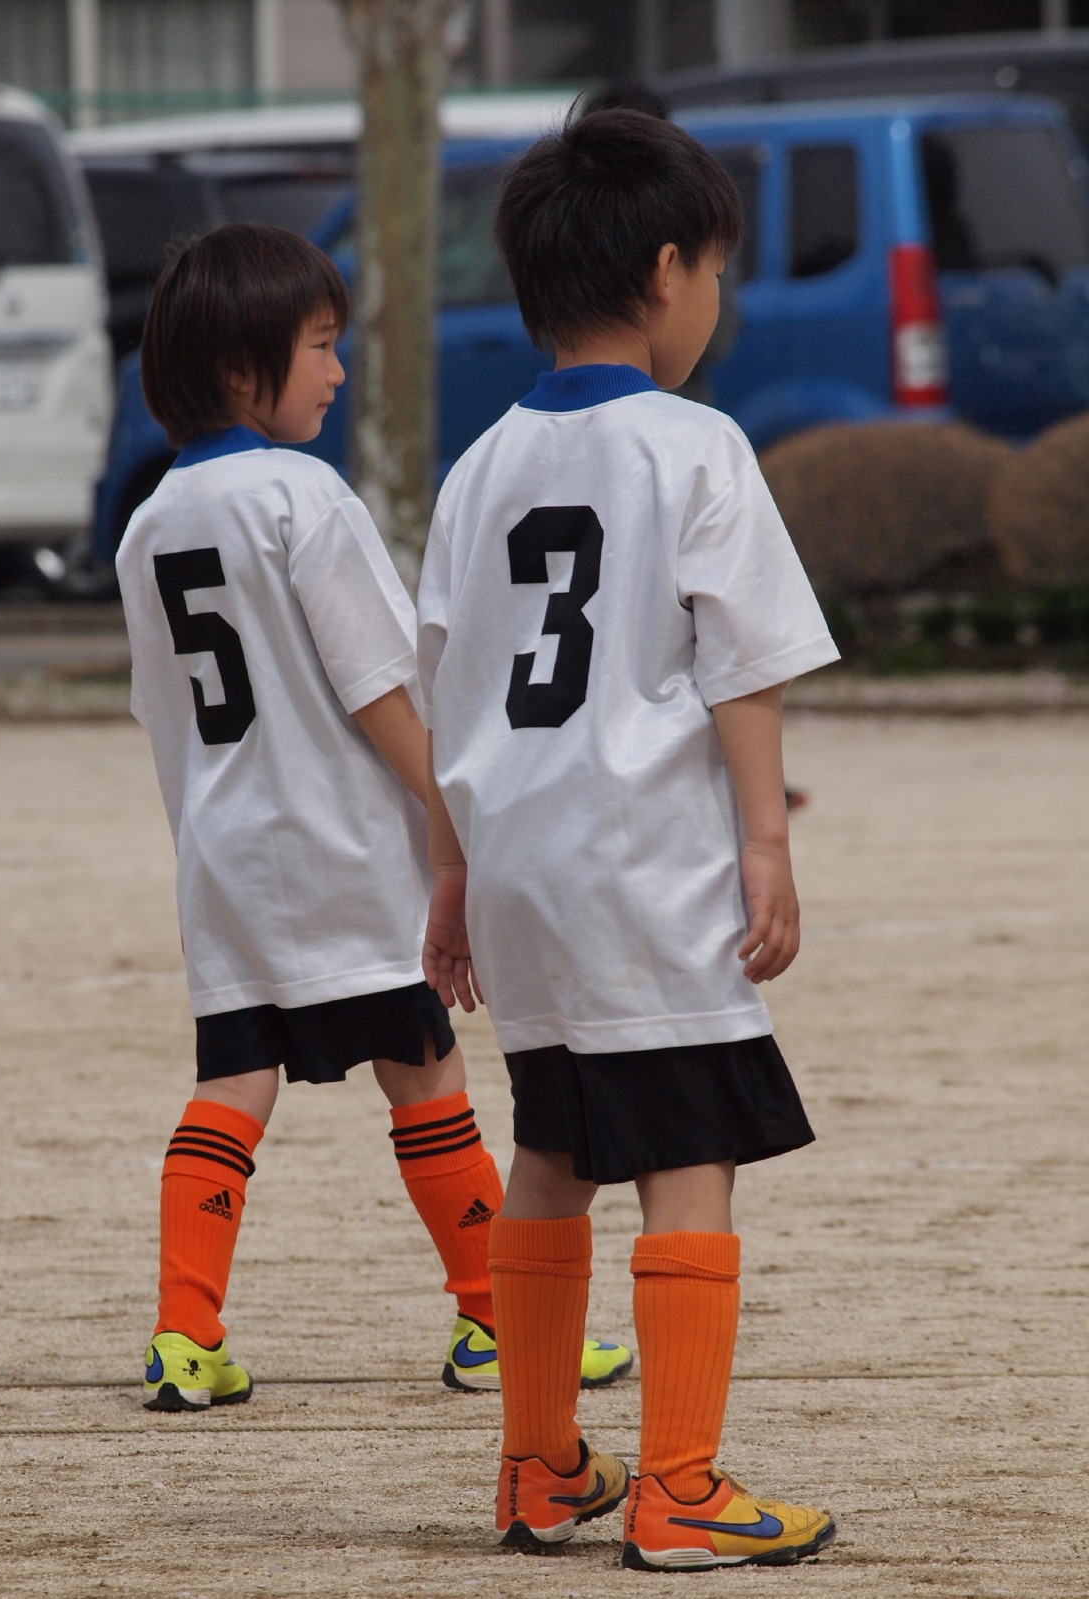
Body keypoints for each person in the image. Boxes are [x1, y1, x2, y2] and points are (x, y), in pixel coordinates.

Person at [417, 110, 839, 1570]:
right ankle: (681, 1487)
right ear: (666, 271)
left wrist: (452, 875)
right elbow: (744, 667)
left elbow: (447, 694)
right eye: (714, 269)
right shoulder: (696, 445)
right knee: (688, 1149)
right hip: (645, 865)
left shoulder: (477, 470)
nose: (713, 296)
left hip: (520, 866)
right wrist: (766, 844)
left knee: (553, 1144)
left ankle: (537, 1465)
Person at [115, 223, 631, 1412]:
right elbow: (380, 688)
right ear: (241, 368)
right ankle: (494, 1319)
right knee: (426, 1070)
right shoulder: (302, 494)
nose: (339, 372)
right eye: (319, 347)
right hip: (342, 848)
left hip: (227, 856)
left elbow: (163, 717)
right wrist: (459, 817)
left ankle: (184, 1335)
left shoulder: (150, 525)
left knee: (233, 1080)